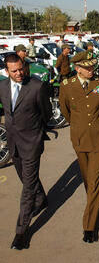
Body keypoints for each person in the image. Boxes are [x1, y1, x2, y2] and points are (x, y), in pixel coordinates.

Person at [59, 51, 99, 243]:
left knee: (96, 179)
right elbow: (66, 112)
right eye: (87, 67)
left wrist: (98, 126)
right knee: (88, 179)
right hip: (79, 139)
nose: (92, 70)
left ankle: (89, 226)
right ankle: (94, 201)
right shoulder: (67, 86)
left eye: (92, 66)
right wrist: (79, 126)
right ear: (77, 68)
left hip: (98, 138)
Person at [0, 54, 52, 250]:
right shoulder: (2, 87)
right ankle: (42, 199)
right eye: (14, 71)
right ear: (7, 71)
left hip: (31, 143)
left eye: (21, 69)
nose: (19, 73)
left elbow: (46, 113)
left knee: (27, 188)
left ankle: (21, 232)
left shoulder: (36, 87)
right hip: (13, 144)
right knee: (25, 177)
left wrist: (36, 132)